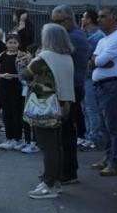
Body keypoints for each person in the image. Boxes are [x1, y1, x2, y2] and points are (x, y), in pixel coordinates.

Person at [21, 24, 76, 199]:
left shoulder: (44, 57)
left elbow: (25, 74)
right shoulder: (67, 56)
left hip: (45, 105)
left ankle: (49, 183)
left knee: (47, 146)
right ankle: (55, 180)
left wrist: (28, 62)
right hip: (63, 104)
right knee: (56, 144)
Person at [51, 5, 90, 184]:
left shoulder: (74, 37)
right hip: (67, 88)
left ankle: (69, 171)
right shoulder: (69, 36)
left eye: (58, 22)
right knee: (62, 131)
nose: (55, 25)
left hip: (71, 89)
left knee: (66, 132)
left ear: (69, 20)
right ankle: (64, 169)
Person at [89, 7, 117, 176]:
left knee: (114, 126)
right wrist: (99, 61)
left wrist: (99, 61)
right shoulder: (103, 40)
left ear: (114, 17)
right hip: (101, 85)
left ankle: (115, 162)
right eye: (98, 16)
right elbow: (94, 60)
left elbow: (100, 61)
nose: (99, 20)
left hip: (112, 85)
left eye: (103, 16)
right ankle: (108, 156)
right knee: (105, 126)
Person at [80, 9, 106, 151]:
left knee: (91, 108)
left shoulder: (97, 36)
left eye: (84, 17)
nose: (82, 19)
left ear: (89, 19)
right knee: (85, 108)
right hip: (85, 75)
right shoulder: (88, 34)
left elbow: (86, 51)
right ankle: (89, 134)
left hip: (91, 75)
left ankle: (94, 137)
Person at [0, 34, 24, 149]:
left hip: (17, 87)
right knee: (6, 113)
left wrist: (14, 76)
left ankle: (18, 138)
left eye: (14, 43)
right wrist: (3, 75)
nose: (12, 45)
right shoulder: (1, 56)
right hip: (4, 87)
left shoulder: (22, 56)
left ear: (18, 44)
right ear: (6, 43)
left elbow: (25, 73)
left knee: (17, 112)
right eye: (10, 42)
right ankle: (9, 138)